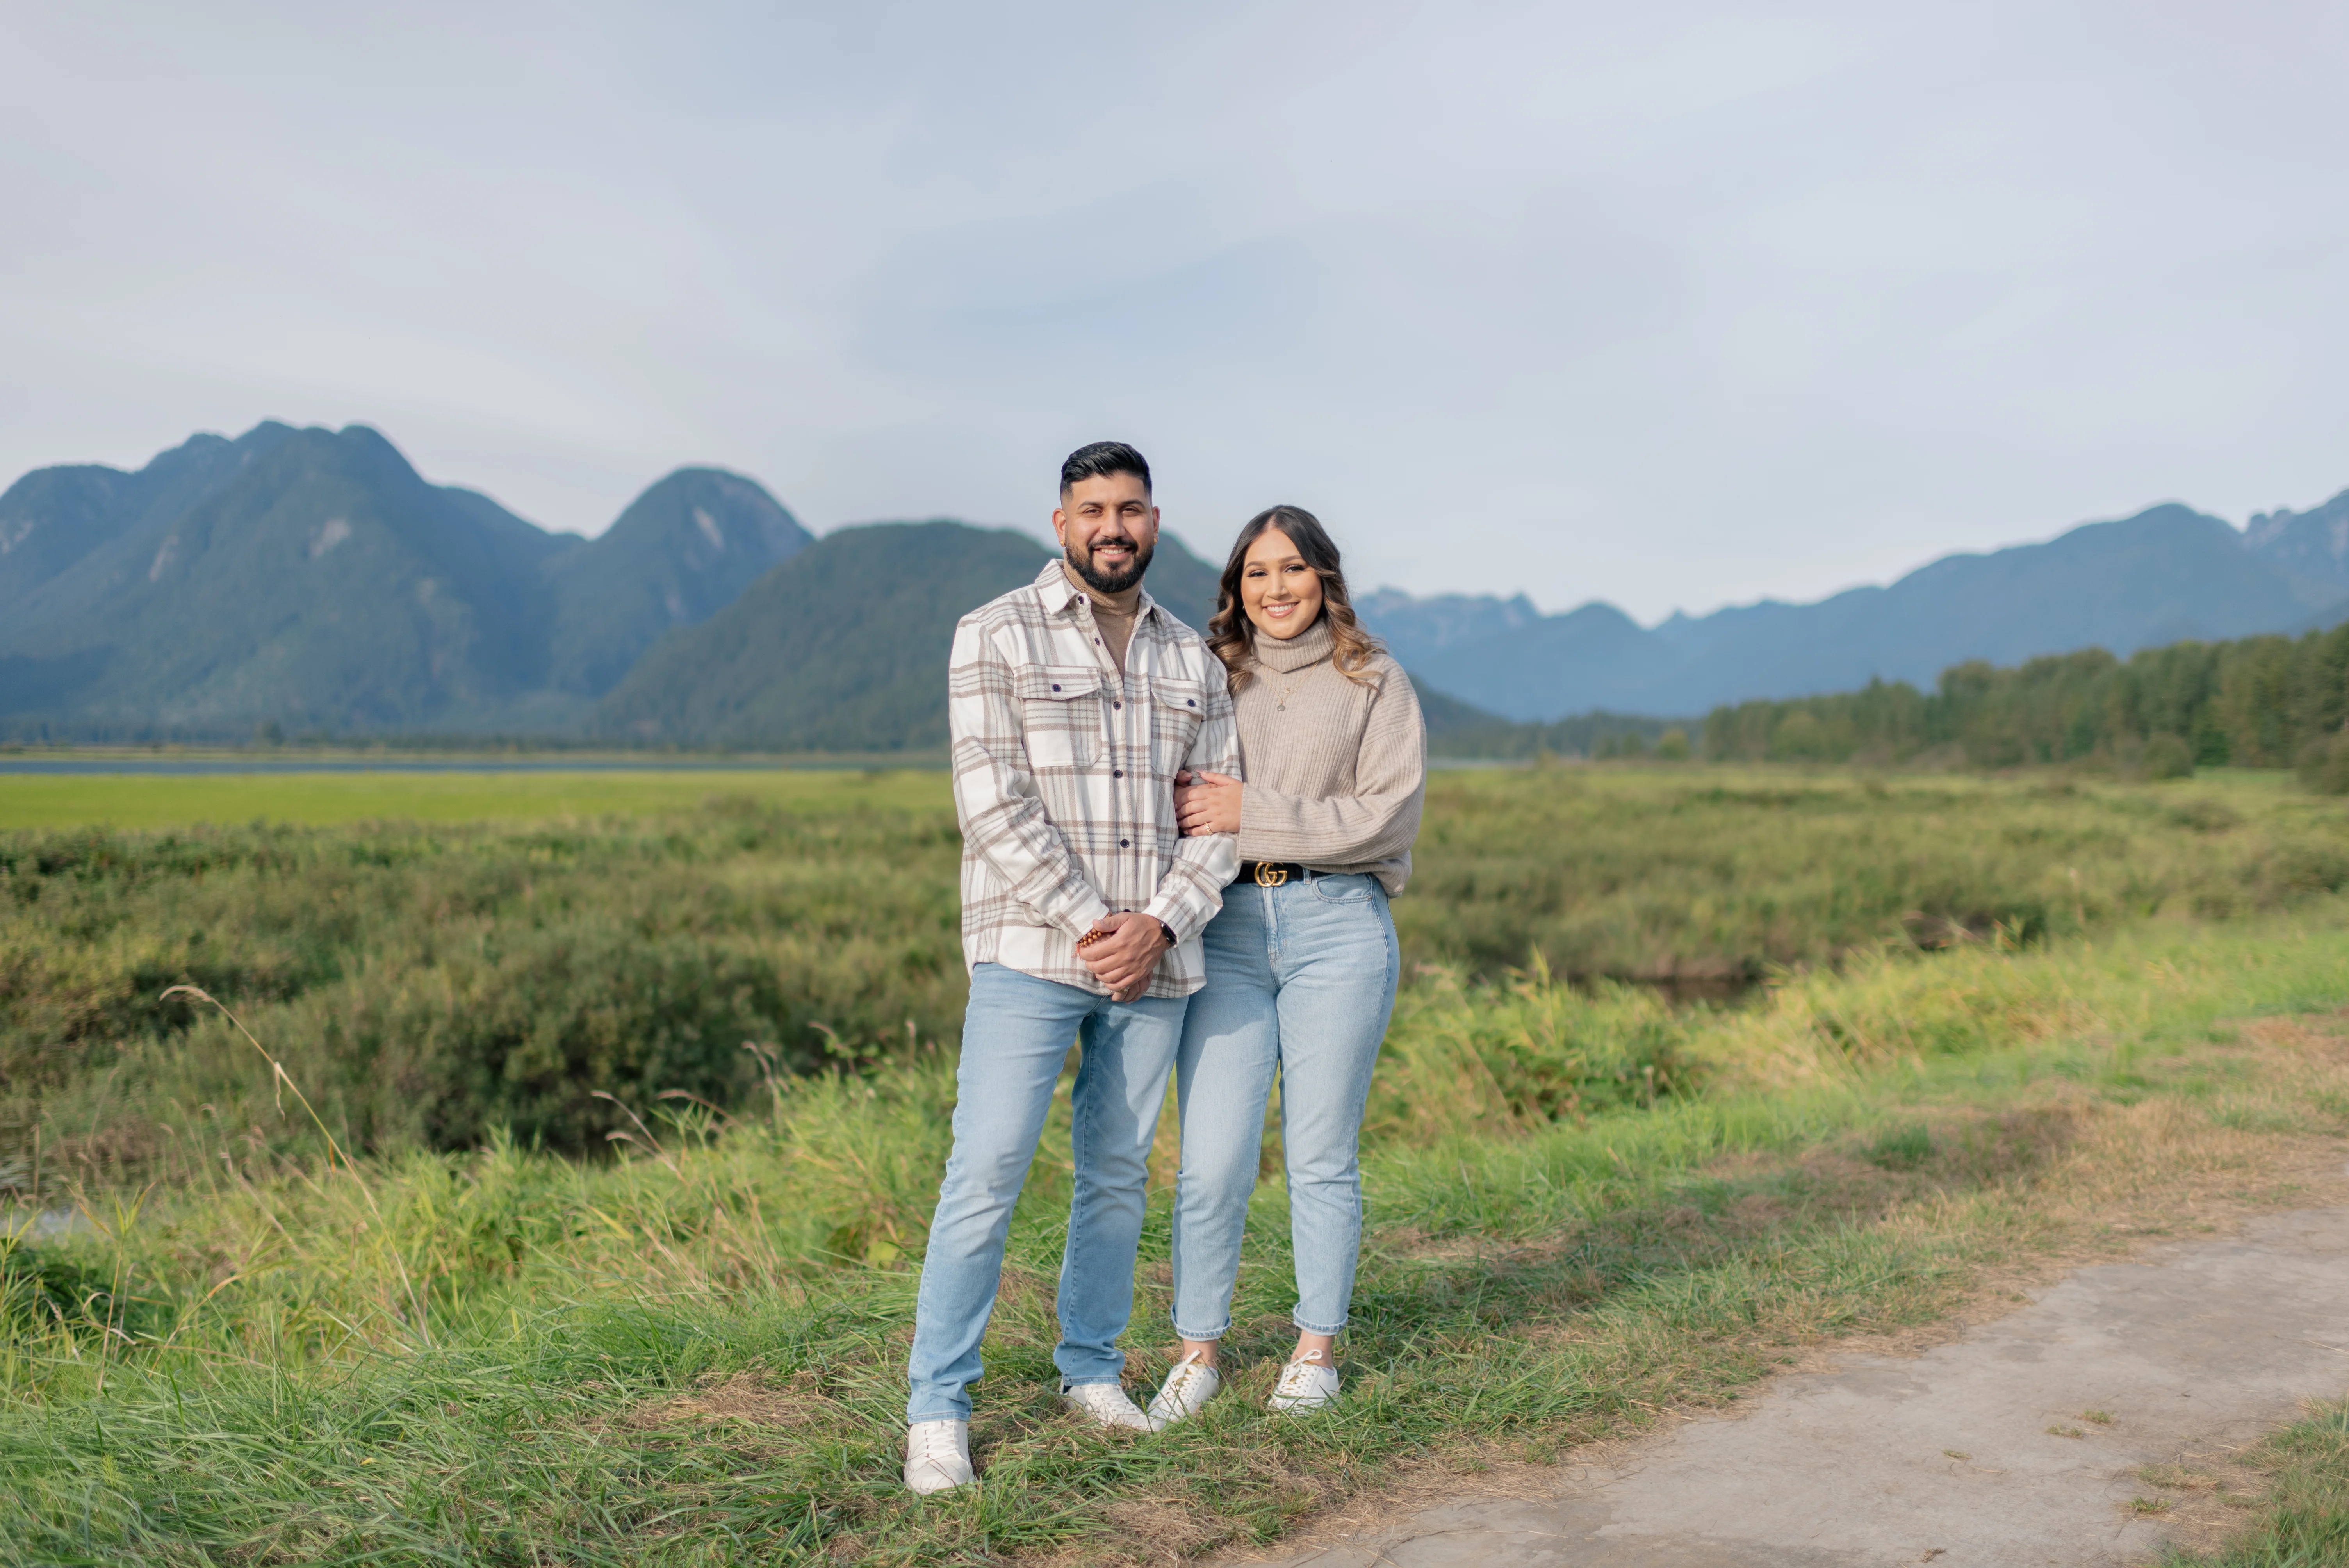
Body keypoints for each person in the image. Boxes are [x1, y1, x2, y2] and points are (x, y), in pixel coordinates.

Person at [902, 442, 1242, 1495]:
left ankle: (1090, 1371)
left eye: (1130, 509)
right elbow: (991, 803)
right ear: (1062, 524)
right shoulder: (994, 632)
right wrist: (1102, 925)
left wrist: (1160, 927)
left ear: (1154, 522)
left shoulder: (1194, 659)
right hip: (1031, 949)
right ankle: (937, 1410)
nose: (1112, 527)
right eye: (1092, 509)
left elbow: (1219, 822)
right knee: (987, 1167)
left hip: (1156, 963)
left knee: (1118, 1174)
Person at [1142, 504, 1424, 1428]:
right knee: (1211, 1159)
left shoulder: (1373, 679)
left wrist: (1251, 812)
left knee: (1319, 1153)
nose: (1276, 588)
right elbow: (1175, 795)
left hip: (1337, 925)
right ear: (1236, 586)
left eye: (1292, 568)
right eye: (1256, 572)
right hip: (1222, 927)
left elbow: (1385, 818)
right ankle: (1197, 1353)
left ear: (1323, 576)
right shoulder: (1209, 674)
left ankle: (1313, 1353)